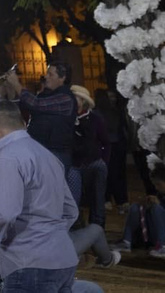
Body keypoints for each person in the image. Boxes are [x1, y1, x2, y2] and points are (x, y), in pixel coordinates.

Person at [0, 100, 78, 293]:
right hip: (63, 259)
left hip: (28, 262)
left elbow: (5, 213)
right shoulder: (48, 156)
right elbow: (70, 210)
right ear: (23, 123)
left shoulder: (7, 158)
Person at [120, 165, 165, 258]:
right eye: (155, 185)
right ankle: (126, 241)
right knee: (135, 207)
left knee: (157, 208)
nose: (156, 188)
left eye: (159, 184)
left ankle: (162, 247)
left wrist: (159, 205)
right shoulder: (160, 194)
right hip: (157, 232)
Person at [68, 86, 109, 227]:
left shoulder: (95, 119)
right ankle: (76, 225)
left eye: (77, 98)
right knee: (74, 197)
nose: (74, 101)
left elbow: (106, 142)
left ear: (83, 101)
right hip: (74, 163)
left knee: (98, 195)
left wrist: (104, 160)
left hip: (94, 161)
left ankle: (97, 226)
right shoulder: (67, 119)